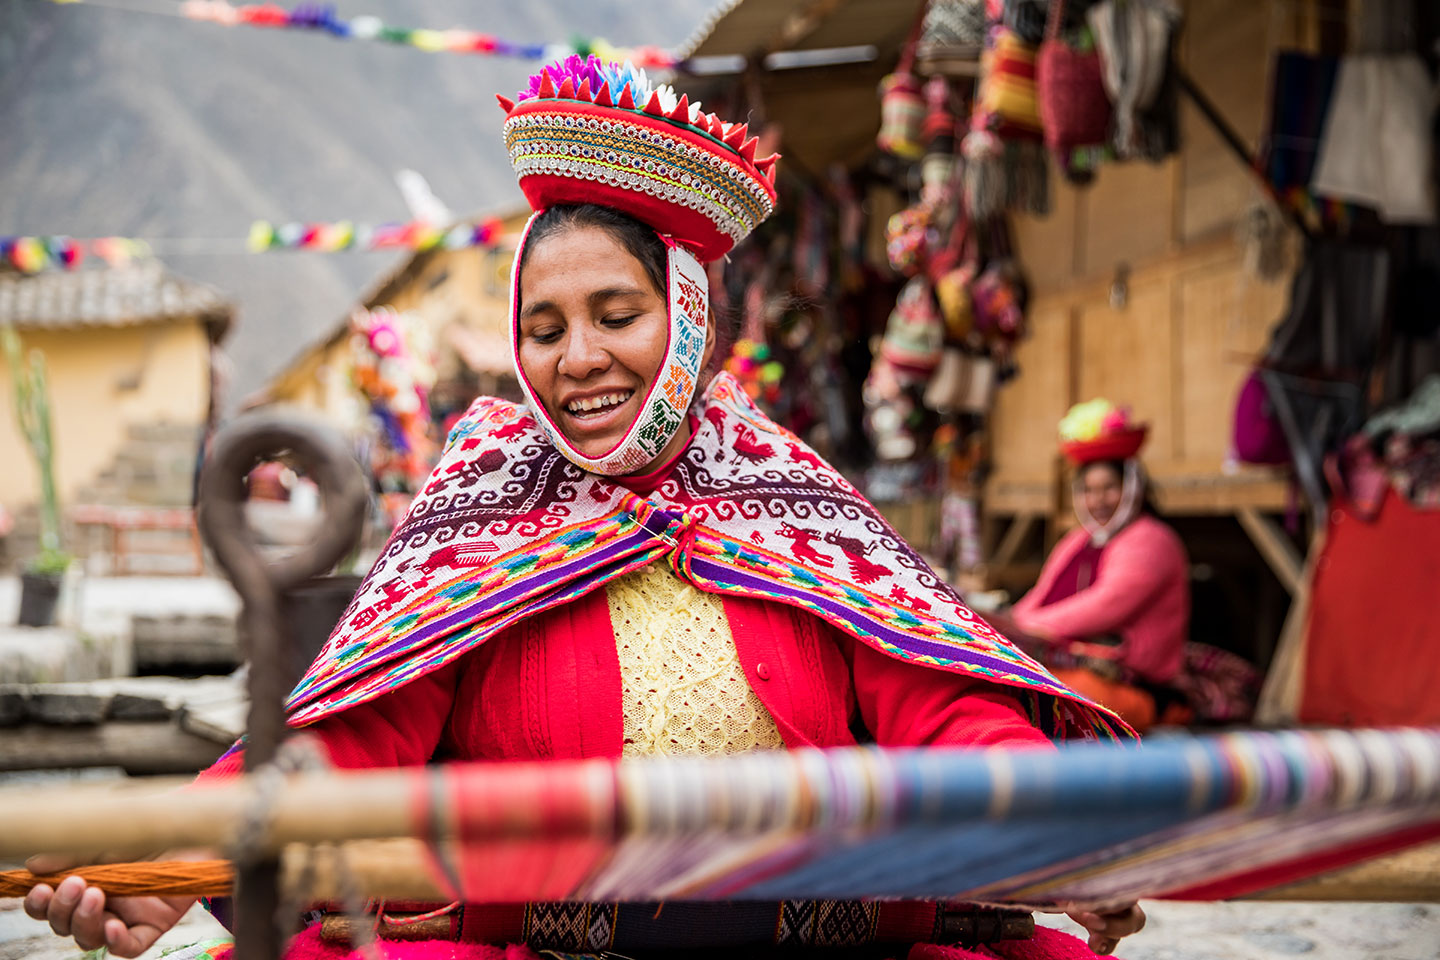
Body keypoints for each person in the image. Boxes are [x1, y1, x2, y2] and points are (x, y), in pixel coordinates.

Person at [24, 58, 1145, 960]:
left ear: (691, 320)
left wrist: (1055, 822)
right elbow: (352, 737)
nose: (580, 359)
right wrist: (173, 863)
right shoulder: (482, 502)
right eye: (546, 329)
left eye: (617, 312)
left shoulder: (790, 494)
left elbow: (941, 710)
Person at [1003, 400, 1190, 733]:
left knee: (1031, 698)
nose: (1098, 500)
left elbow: (1104, 607)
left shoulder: (1153, 540)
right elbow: (1040, 596)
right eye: (1088, 490)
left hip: (1133, 685)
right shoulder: (1076, 540)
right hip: (1072, 668)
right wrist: (999, 628)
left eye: (1109, 488)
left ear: (1133, 488)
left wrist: (1019, 626)